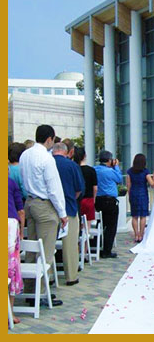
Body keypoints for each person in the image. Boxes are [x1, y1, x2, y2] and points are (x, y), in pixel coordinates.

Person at [19, 125, 67, 307]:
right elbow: (54, 189)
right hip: (44, 205)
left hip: (29, 202)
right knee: (45, 252)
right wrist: (62, 213)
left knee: (31, 249)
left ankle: (31, 291)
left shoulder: (25, 155)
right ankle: (40, 294)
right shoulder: (46, 158)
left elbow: (24, 179)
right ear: (49, 139)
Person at [53, 142, 85, 286]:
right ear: (67, 152)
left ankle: (49, 277)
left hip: (49, 208)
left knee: (48, 245)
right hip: (69, 207)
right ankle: (71, 276)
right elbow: (79, 188)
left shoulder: (47, 162)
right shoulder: (72, 166)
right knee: (70, 244)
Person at [94, 150, 122, 258]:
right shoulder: (110, 171)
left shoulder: (95, 169)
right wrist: (116, 166)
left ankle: (97, 246)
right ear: (109, 160)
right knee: (111, 226)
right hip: (110, 201)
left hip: (98, 200)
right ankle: (107, 250)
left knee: (99, 224)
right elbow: (119, 179)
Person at [74, 146, 97, 256]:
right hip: (88, 199)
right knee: (87, 228)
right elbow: (95, 188)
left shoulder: (74, 168)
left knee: (77, 226)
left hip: (77, 200)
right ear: (85, 156)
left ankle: (76, 250)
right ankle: (84, 252)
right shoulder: (91, 170)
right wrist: (94, 199)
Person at [126, 154, 154, 243]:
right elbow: (152, 183)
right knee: (143, 216)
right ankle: (141, 235)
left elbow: (128, 186)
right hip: (143, 194)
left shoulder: (129, 172)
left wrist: (129, 194)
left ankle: (136, 235)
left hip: (133, 193)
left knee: (134, 216)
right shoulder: (145, 172)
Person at [8, 176, 25, 325]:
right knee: (11, 270)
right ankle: (9, 313)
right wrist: (21, 233)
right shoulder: (11, 182)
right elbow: (21, 210)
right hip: (10, 224)